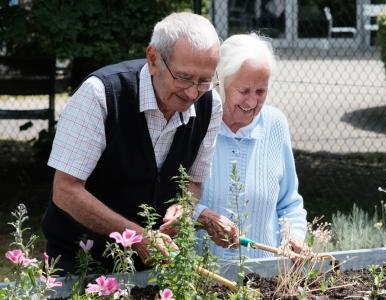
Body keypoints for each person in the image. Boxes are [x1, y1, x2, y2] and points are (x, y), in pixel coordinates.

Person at [41, 12, 225, 274]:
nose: (193, 92)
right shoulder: (100, 95)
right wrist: (136, 236)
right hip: (81, 261)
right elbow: (66, 190)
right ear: (153, 59)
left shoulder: (210, 104)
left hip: (154, 266)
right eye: (184, 77)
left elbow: (194, 181)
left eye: (205, 80)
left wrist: (184, 207)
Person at [194, 33, 307, 259]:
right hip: (201, 277)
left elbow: (289, 203)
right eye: (244, 91)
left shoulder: (276, 124)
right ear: (222, 82)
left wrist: (293, 237)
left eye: (261, 91)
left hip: (264, 276)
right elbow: (171, 199)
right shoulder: (195, 122)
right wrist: (202, 217)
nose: (252, 102)